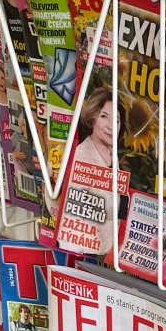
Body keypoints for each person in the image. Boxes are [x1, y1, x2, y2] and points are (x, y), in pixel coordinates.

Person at [66, 85, 122, 254]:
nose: (111, 126)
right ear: (92, 118)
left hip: (109, 251)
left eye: (116, 120)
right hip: (88, 253)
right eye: (104, 116)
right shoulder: (82, 155)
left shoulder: (112, 155)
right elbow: (72, 217)